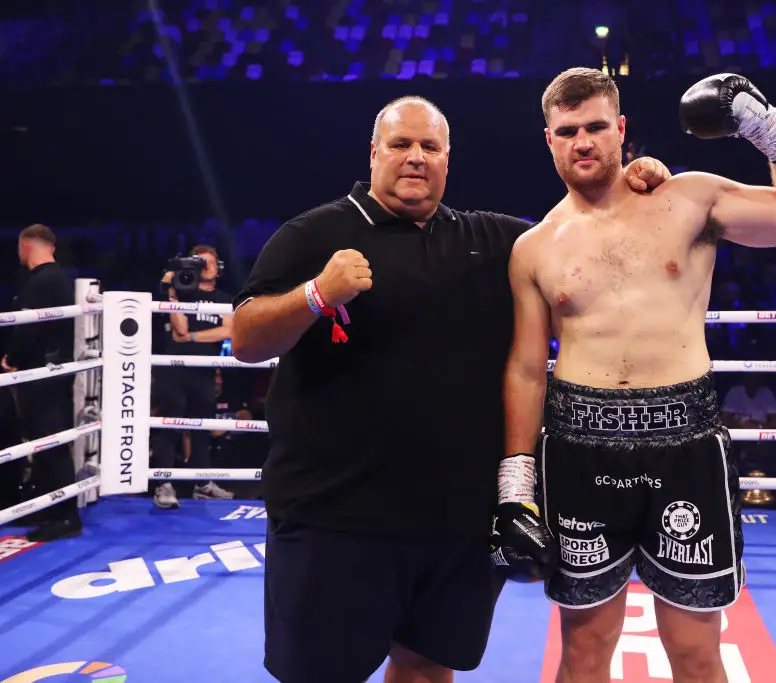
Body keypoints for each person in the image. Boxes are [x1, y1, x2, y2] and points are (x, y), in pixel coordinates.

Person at [228, 95, 671, 683]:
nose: (415, 158)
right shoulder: (314, 234)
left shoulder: (488, 241)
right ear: (373, 153)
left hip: (455, 519)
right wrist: (317, 293)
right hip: (333, 515)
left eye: (429, 147)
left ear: (447, 158)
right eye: (400, 145)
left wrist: (631, 184)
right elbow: (247, 338)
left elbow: (573, 238)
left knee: (429, 669)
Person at [494, 68, 776, 682]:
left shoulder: (687, 197)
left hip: (686, 445)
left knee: (693, 652)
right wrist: (515, 486)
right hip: (580, 449)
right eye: (568, 130)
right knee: (582, 652)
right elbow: (527, 368)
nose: (584, 142)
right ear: (548, 139)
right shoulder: (536, 246)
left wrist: (764, 127)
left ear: (621, 129)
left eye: (597, 127)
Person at [1, 224, 81, 542]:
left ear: (25, 246)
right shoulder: (58, 278)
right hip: (51, 371)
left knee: (50, 445)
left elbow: (28, 328)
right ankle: (53, 509)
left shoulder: (42, 281)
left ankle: (65, 516)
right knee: (47, 443)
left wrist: (11, 360)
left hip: (42, 375)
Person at [151, 244, 236, 509]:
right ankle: (163, 485)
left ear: (219, 267)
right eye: (199, 263)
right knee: (170, 425)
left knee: (202, 427)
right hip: (174, 369)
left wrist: (190, 337)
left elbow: (227, 331)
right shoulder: (183, 291)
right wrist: (172, 290)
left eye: (210, 262)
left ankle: (203, 484)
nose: (205, 267)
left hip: (205, 370)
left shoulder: (226, 299)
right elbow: (178, 327)